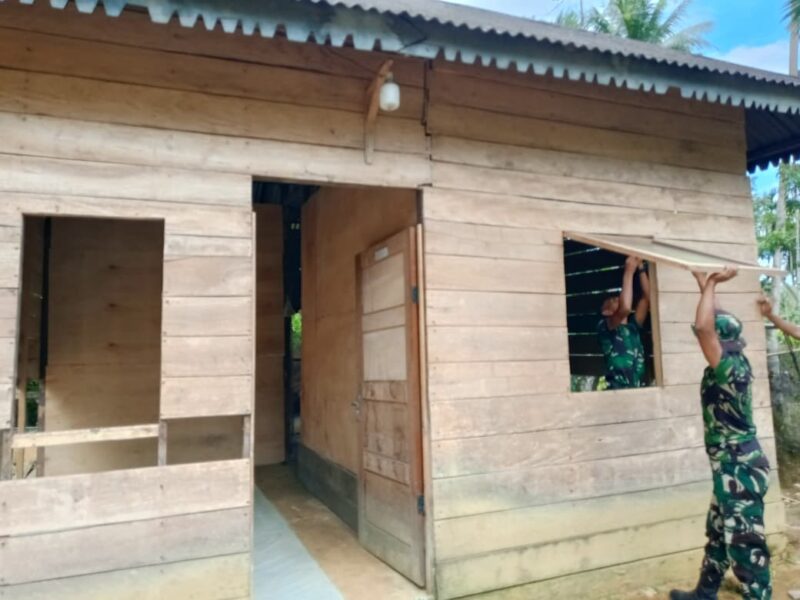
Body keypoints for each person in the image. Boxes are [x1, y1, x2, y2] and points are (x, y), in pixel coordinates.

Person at [670, 268, 771, 600]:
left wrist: (712, 283)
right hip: (731, 466)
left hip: (739, 468)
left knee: (745, 545)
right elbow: (713, 322)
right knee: (717, 532)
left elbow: (703, 328)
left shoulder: (727, 368)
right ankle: (704, 593)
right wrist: (705, 286)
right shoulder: (734, 360)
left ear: (721, 341)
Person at [596, 256, 650, 389]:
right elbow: (625, 308)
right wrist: (629, 271)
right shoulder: (606, 327)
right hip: (617, 389)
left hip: (637, 389)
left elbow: (647, 298)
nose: (617, 299)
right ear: (606, 312)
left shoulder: (633, 327)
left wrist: (641, 267)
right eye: (613, 300)